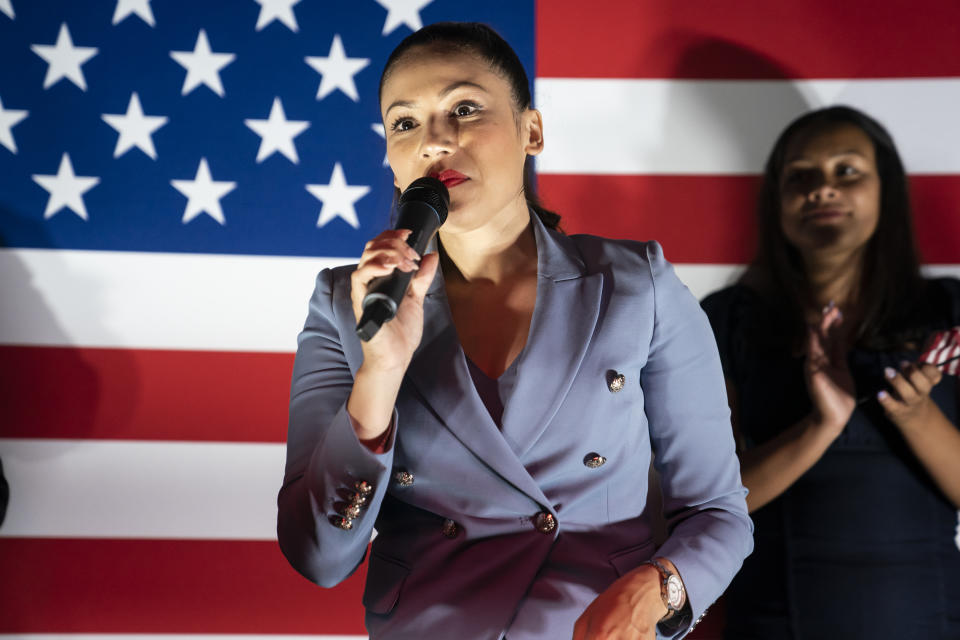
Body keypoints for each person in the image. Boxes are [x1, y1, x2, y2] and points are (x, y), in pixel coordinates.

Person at [278, 22, 752, 640]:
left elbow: (718, 513)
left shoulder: (640, 284)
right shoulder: (345, 305)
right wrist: (381, 373)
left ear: (532, 130)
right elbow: (317, 556)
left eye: (465, 108)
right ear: (391, 159)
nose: (435, 141)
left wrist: (657, 588)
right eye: (405, 122)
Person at [701, 106, 960, 639]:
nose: (823, 188)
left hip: (927, 619)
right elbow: (709, 501)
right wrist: (821, 425)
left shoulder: (947, 315)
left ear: (884, 189)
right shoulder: (727, 318)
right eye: (801, 176)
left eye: (847, 171)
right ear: (776, 199)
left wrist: (915, 415)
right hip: (776, 621)